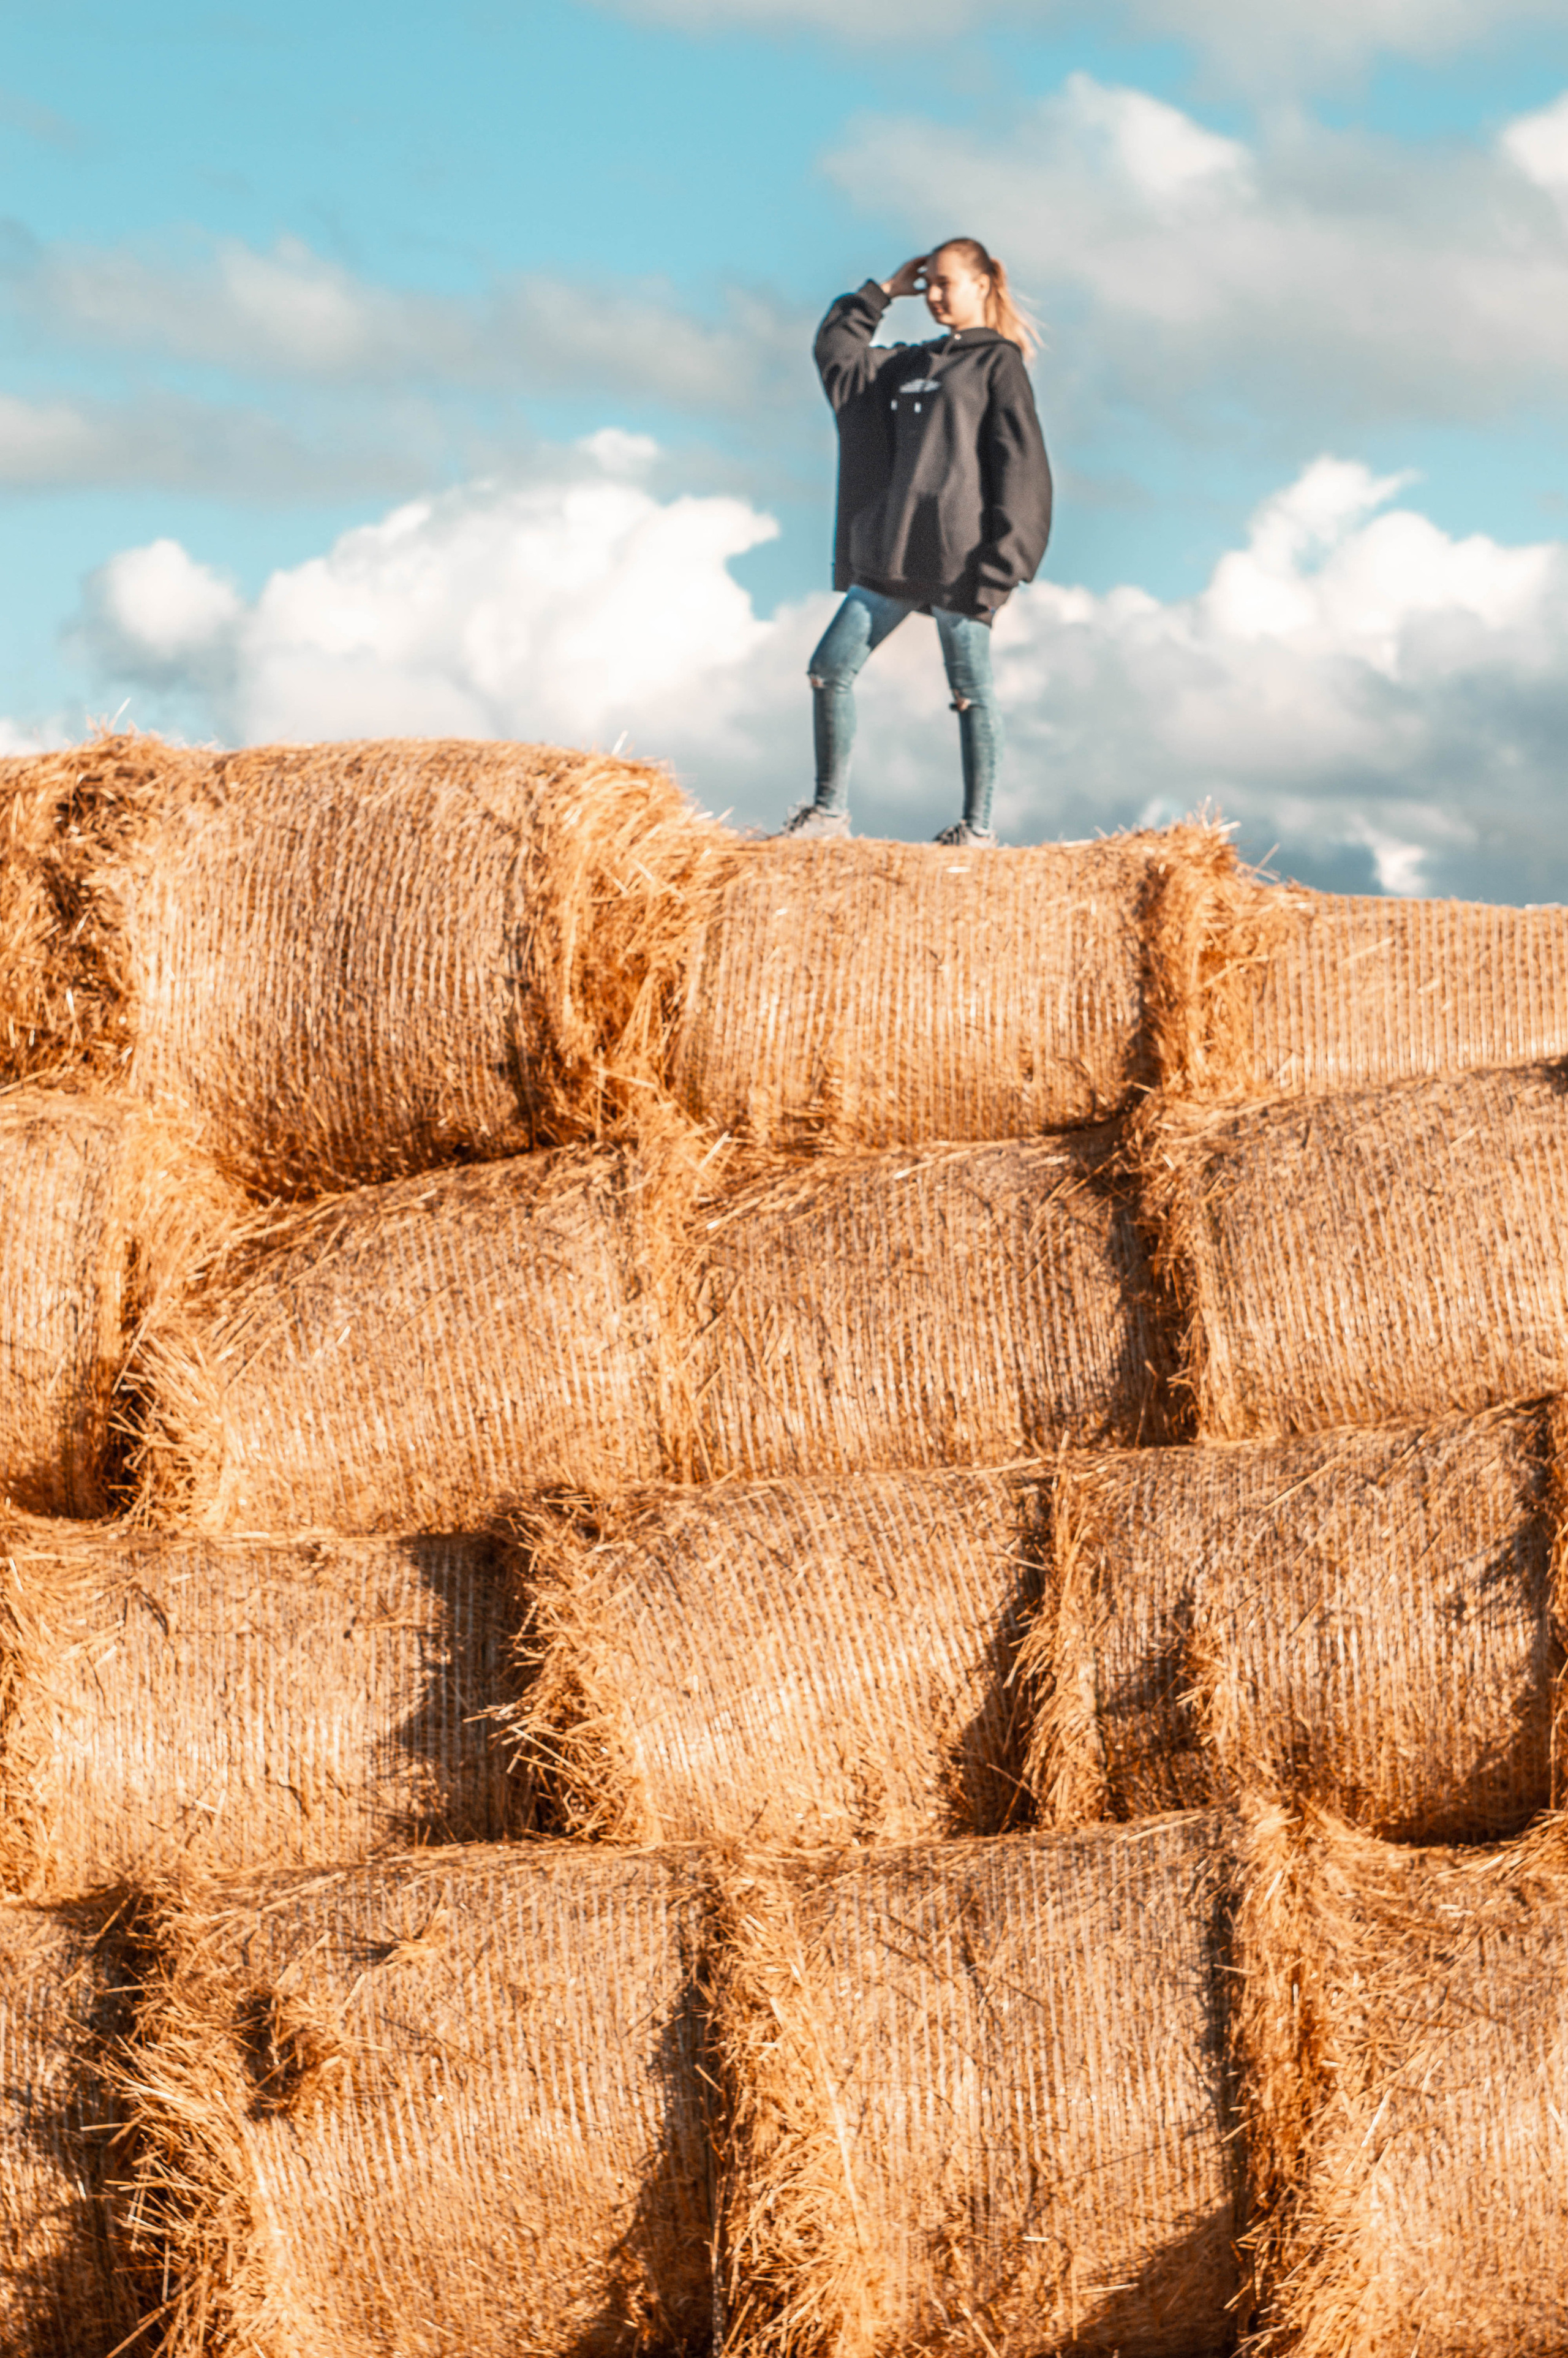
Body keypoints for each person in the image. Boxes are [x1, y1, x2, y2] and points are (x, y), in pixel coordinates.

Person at [780, 239, 1052, 847]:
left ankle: (977, 831)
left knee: (969, 693)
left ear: (982, 286)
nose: (931, 296)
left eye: (944, 283)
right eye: (926, 284)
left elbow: (1023, 467)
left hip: (962, 566)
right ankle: (829, 815)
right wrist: (881, 294)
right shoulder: (907, 365)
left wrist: (1004, 565)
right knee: (829, 671)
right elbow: (837, 356)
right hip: (891, 557)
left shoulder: (998, 365)